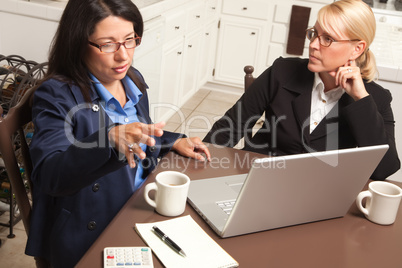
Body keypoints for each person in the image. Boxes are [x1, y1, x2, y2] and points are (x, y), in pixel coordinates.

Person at [26, 0, 210, 267]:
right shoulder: (56, 94)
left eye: (130, 40)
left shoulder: (131, 78)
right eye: (108, 44)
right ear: (78, 42)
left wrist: (173, 140)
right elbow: (50, 176)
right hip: (94, 226)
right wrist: (107, 139)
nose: (123, 56)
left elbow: (133, 132)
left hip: (140, 204)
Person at [203, 0, 400, 180]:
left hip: (320, 195)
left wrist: (360, 99)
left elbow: (383, 169)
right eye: (314, 34)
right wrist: (197, 163)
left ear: (357, 49)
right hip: (258, 181)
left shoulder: (375, 99)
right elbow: (230, 127)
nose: (313, 45)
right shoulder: (282, 72)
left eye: (327, 39)